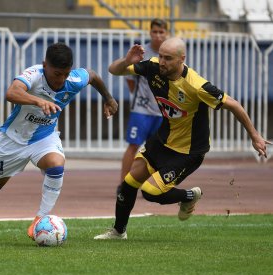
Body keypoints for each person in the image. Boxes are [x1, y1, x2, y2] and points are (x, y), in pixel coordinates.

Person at [94, 37, 271, 240]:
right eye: (160, 56)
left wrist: (255, 136)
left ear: (181, 59)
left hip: (188, 152)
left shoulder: (197, 86)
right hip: (162, 140)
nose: (161, 61)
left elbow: (234, 104)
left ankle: (190, 196)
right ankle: (119, 231)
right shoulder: (153, 67)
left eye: (168, 58)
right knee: (129, 182)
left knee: (150, 192)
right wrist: (126, 61)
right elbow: (113, 70)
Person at [0, 42, 118, 242]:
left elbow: (93, 75)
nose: (61, 80)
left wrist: (108, 97)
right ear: (44, 65)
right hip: (13, 139)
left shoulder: (73, 79)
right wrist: (38, 101)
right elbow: (11, 92)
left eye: (65, 74)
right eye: (56, 74)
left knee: (56, 165)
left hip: (44, 136)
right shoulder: (34, 74)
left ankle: (40, 218)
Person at [117, 18, 167, 195]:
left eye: (161, 32)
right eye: (155, 32)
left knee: (157, 150)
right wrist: (142, 99)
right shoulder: (143, 52)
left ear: (166, 33)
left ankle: (154, 187)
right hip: (142, 111)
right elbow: (130, 80)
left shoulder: (169, 54)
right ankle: (123, 185)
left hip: (162, 112)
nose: (158, 35)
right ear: (150, 33)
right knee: (133, 146)